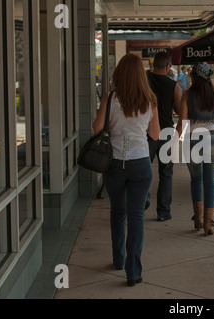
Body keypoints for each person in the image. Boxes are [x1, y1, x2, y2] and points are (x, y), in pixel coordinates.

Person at [92, 54, 160, 287]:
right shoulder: (150, 100)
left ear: (119, 74)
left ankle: (118, 258)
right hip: (140, 163)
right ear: (141, 75)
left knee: (118, 213)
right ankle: (134, 272)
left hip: (114, 165)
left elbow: (97, 128)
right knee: (136, 216)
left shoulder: (110, 98)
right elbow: (155, 135)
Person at [176, 63, 214, 236]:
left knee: (196, 179)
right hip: (213, 138)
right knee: (210, 182)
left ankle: (198, 219)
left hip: (192, 139)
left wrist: (174, 141)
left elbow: (181, 123)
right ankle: (208, 223)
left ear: (194, 77)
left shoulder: (187, 95)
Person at [146, 51, 182, 221]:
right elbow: (181, 110)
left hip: (145, 131)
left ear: (154, 64)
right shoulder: (173, 85)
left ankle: (143, 200)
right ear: (168, 66)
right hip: (166, 131)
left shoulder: (144, 81)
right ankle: (163, 212)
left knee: (143, 170)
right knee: (166, 173)